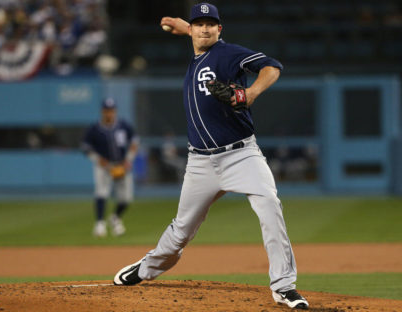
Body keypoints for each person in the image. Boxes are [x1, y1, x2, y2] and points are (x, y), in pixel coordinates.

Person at [114, 3, 309, 310]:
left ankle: (284, 286)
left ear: (220, 29)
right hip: (200, 163)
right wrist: (183, 26)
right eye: (199, 23)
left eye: (211, 23)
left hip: (241, 155)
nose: (205, 28)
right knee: (181, 231)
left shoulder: (228, 53)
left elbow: (272, 66)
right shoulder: (197, 52)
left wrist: (251, 93)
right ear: (193, 28)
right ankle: (146, 268)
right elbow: (195, 36)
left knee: (270, 205)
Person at [82, 97, 139, 237]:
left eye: (111, 110)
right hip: (104, 166)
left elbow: (135, 141)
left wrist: (128, 160)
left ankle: (115, 218)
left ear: (115, 111)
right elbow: (85, 147)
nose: (109, 113)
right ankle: (100, 224)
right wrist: (96, 158)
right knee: (101, 193)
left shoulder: (123, 125)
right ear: (102, 111)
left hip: (121, 164)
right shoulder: (95, 129)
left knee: (126, 198)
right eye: (107, 110)